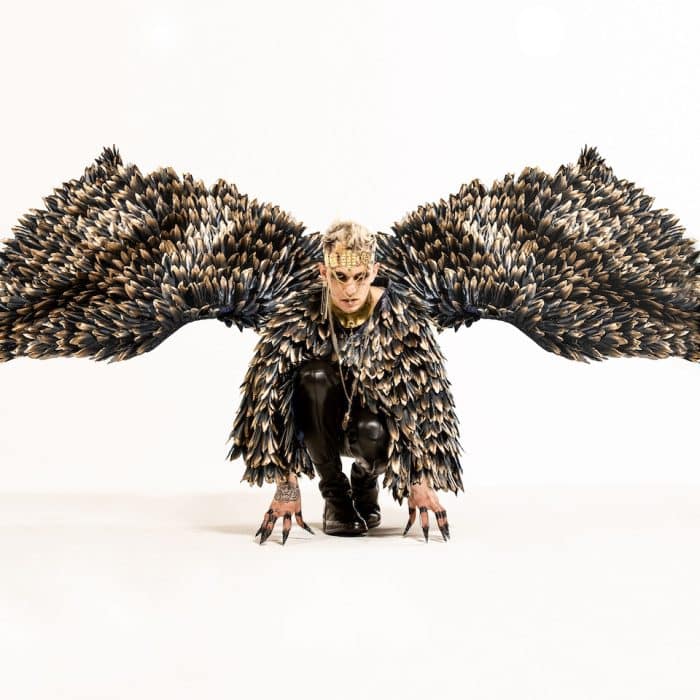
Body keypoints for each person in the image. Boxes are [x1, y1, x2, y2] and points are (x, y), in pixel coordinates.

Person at [228, 221, 466, 544]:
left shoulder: (403, 319)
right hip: (318, 424)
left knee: (372, 432)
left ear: (374, 272)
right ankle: (336, 497)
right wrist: (286, 486)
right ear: (323, 273)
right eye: (340, 277)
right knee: (313, 376)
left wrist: (418, 479)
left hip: (373, 428)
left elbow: (425, 406)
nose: (350, 290)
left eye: (360, 277)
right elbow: (265, 404)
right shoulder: (297, 316)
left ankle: (365, 485)